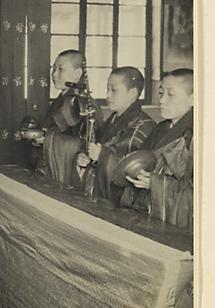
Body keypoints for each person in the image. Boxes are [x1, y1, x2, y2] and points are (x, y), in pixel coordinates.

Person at [116, 68, 194, 230]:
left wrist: (156, 183)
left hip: (174, 225)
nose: (162, 100)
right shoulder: (160, 129)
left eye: (170, 94)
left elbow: (200, 195)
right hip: (147, 210)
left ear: (193, 99)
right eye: (161, 93)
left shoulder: (198, 136)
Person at [76, 67, 156, 200]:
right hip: (98, 188)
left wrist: (101, 155)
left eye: (114, 90)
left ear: (133, 93)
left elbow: (132, 167)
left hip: (123, 197)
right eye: (107, 89)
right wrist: (85, 158)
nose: (108, 95)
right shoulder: (112, 120)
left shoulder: (144, 124)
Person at [34, 50, 86, 185]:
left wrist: (47, 140)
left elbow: (82, 144)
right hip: (52, 167)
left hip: (68, 172)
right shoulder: (61, 100)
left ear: (78, 74)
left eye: (61, 69)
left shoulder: (80, 103)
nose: (54, 74)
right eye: (54, 69)